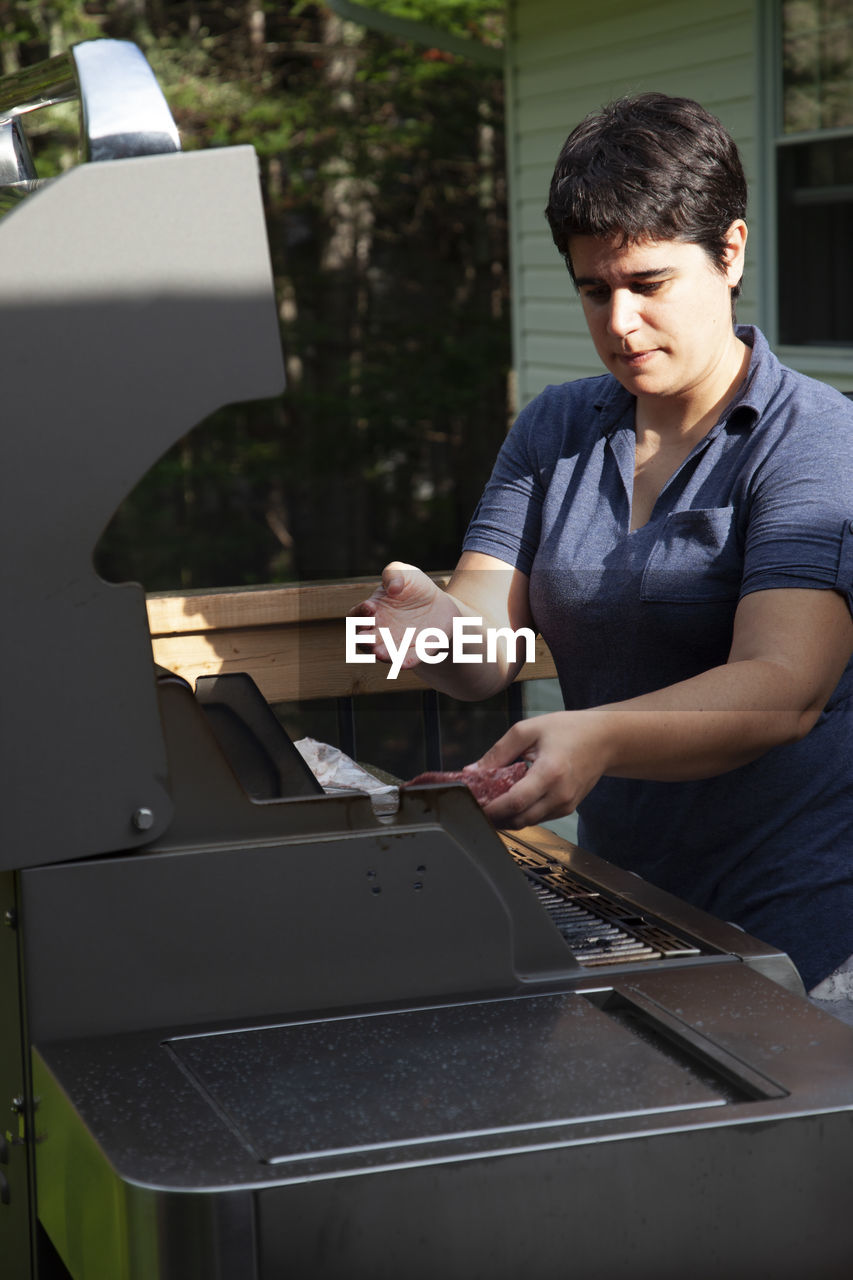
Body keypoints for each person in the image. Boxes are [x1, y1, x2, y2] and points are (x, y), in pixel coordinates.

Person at [352, 93, 853, 1012]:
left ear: (730, 252)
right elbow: (483, 650)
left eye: (648, 283)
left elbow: (786, 688)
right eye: (593, 289)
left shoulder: (813, 439)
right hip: (626, 908)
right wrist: (428, 632)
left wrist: (598, 733)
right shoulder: (555, 428)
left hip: (804, 936)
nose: (618, 321)